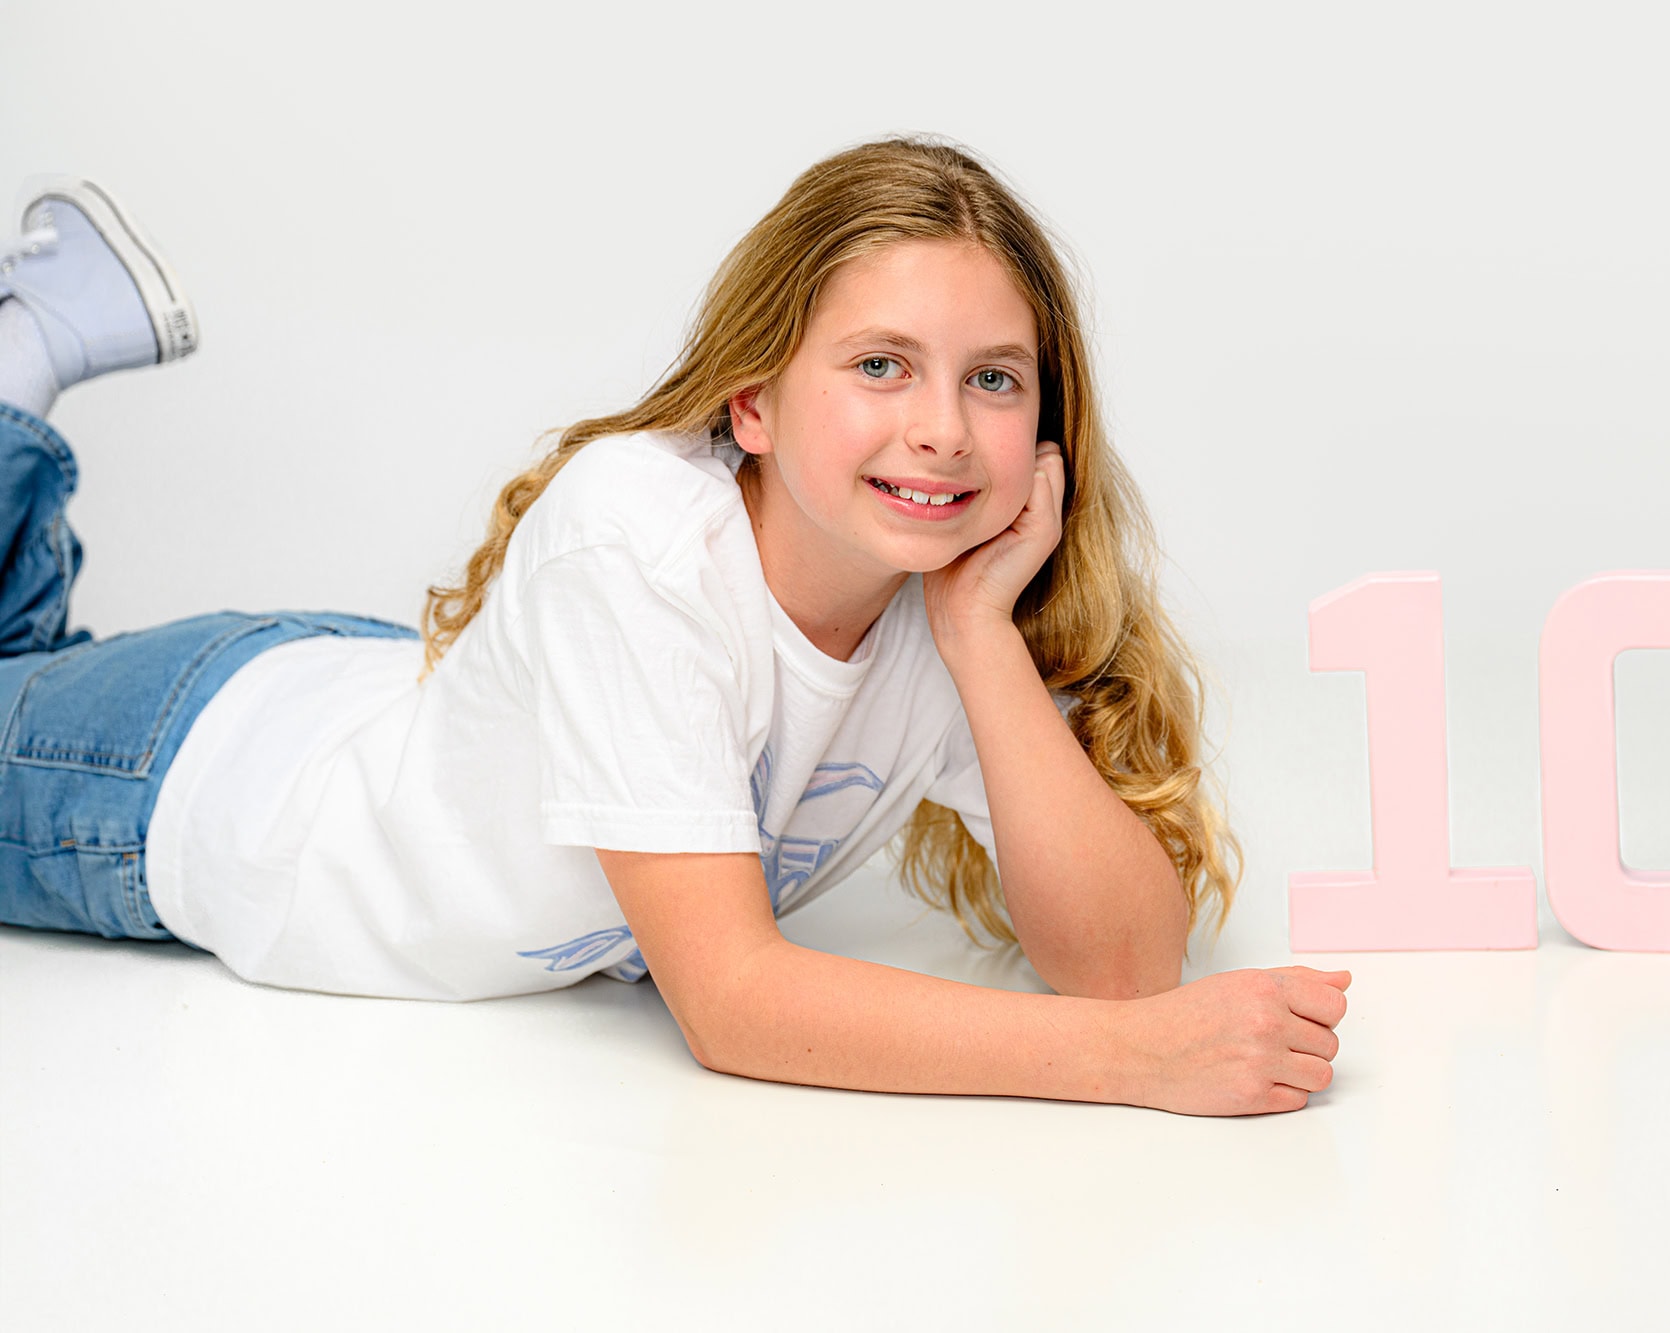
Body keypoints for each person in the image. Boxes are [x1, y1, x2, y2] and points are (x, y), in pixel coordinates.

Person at [0, 139, 1351, 1116]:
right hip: (182, 789)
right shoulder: (633, 539)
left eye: (992, 379)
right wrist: (1132, 1067)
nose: (943, 425)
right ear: (752, 404)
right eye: (881, 364)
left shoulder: (941, 591)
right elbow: (736, 1001)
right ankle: (24, 363)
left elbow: (1125, 964)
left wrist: (987, 643)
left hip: (357, 692)